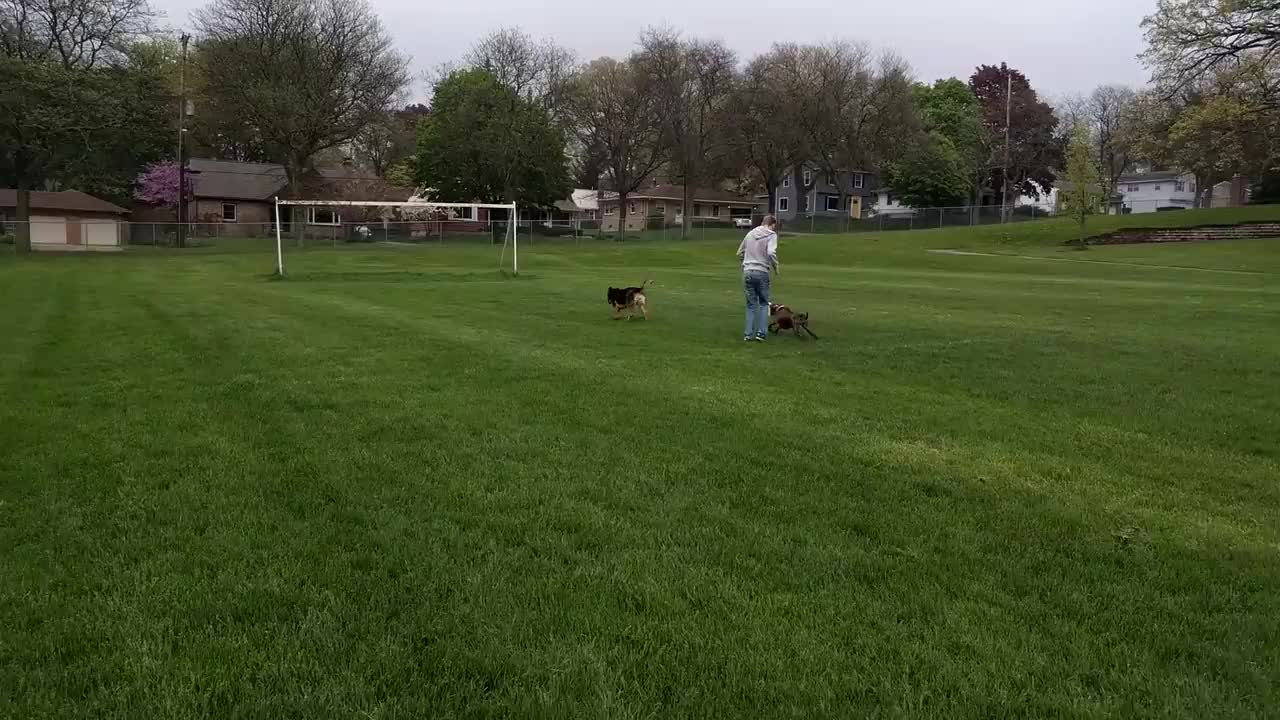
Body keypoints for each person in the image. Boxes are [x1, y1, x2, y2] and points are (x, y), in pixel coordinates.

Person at [737, 214, 778, 342]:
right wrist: (776, 266)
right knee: (764, 303)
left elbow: (740, 252)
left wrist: (745, 261)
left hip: (748, 272)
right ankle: (761, 333)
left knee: (750, 305)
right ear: (772, 224)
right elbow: (771, 252)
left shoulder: (750, 234)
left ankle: (748, 334)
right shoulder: (771, 235)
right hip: (761, 272)